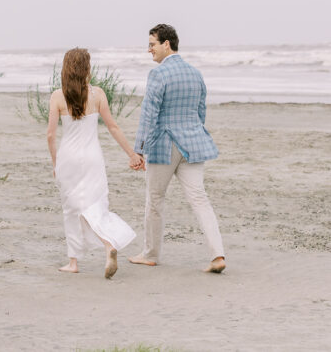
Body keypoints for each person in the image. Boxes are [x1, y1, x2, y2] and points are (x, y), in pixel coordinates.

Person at [128, 24, 226, 273]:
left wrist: (138, 149)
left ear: (166, 44)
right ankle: (218, 255)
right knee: (199, 198)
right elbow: (200, 111)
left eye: (152, 44)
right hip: (193, 143)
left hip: (165, 145)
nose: (149, 50)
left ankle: (150, 254)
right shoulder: (195, 73)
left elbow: (149, 115)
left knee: (155, 199)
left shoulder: (158, 74)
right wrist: (192, 131)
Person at [47, 48, 144, 278]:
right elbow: (113, 127)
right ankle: (108, 244)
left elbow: (51, 135)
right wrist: (132, 154)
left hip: (67, 159)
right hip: (92, 158)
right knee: (96, 204)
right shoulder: (98, 94)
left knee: (72, 209)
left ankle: (73, 262)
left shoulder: (57, 96)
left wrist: (55, 163)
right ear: (87, 69)